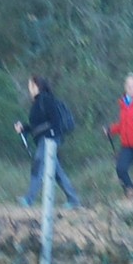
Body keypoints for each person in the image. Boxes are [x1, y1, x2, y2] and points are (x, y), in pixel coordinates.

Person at [14, 74, 81, 208]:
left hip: (48, 140)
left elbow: (55, 121)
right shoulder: (38, 103)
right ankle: (73, 199)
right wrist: (24, 128)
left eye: (30, 85)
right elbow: (37, 126)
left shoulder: (46, 100)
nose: (29, 89)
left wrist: (52, 137)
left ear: (36, 86)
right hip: (45, 139)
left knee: (38, 166)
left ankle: (29, 199)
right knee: (56, 171)